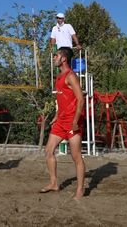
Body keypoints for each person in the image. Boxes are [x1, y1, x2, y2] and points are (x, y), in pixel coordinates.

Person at [40, 47, 85, 200]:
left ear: (63, 59)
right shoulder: (59, 77)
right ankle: (53, 183)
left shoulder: (71, 76)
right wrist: (56, 115)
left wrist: (75, 121)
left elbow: (81, 100)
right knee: (48, 151)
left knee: (76, 157)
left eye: (56, 55)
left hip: (73, 121)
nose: (54, 58)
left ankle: (80, 190)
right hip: (61, 121)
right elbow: (62, 100)